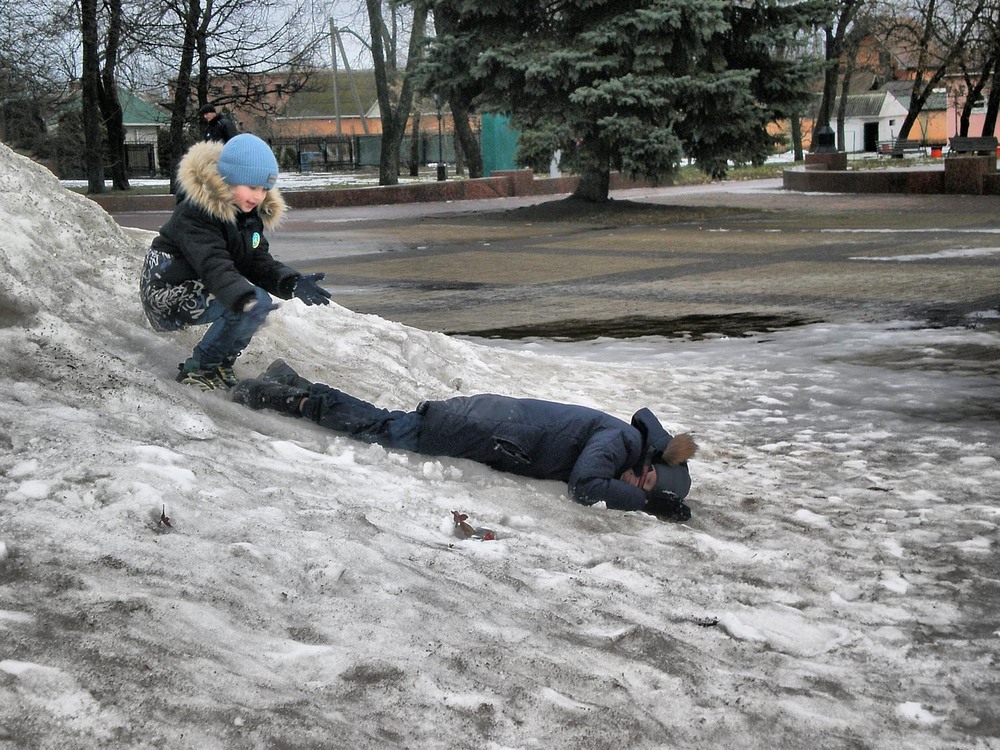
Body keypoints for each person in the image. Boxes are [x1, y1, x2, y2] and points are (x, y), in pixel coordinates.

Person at [232, 360, 697, 520]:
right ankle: (284, 397)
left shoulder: (625, 448)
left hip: (492, 427)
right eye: (650, 481)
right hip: (478, 427)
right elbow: (585, 486)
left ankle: (289, 381)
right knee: (378, 427)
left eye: (650, 491)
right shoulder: (619, 441)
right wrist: (648, 507)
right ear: (651, 460)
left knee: (382, 423)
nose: (642, 487)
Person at [139, 134, 333, 390]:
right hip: (165, 290)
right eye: (252, 187)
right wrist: (242, 298)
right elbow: (213, 263)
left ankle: (221, 363)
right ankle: (199, 368)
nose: (259, 196)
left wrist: (290, 282)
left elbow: (257, 261)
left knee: (258, 303)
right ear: (228, 179)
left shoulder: (247, 217)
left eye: (264, 189)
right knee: (247, 302)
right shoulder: (196, 213)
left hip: (200, 282)